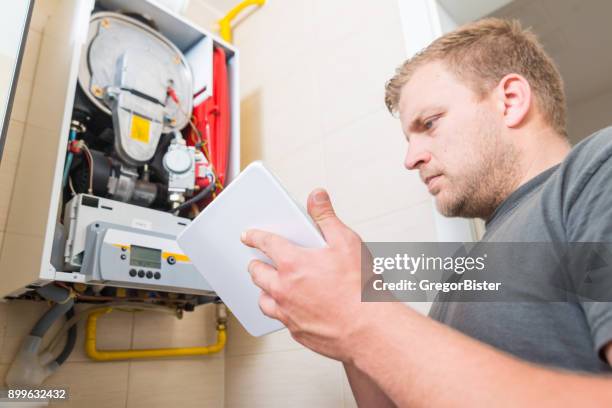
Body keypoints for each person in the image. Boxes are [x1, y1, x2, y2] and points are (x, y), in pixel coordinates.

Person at [240, 18, 612, 406]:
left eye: (429, 123)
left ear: (511, 100)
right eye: (408, 137)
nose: (410, 158)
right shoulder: (466, 269)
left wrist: (359, 318)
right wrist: (350, 313)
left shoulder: (598, 169)